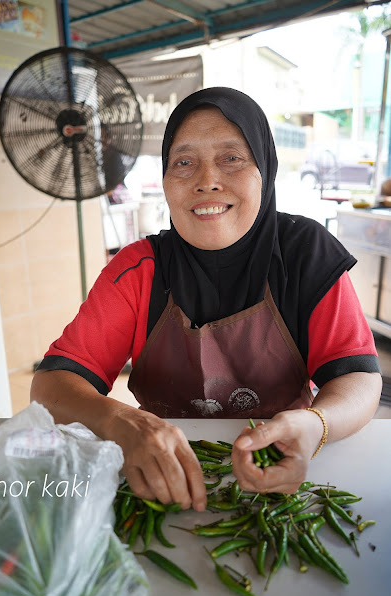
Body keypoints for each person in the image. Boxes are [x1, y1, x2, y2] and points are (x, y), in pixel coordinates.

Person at [31, 87, 382, 512]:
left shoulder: (305, 253)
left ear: (264, 169)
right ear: (164, 179)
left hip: (284, 473)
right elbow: (50, 385)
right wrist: (119, 420)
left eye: (231, 158)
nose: (206, 181)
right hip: (162, 478)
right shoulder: (138, 269)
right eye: (184, 162)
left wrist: (315, 425)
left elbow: (359, 378)